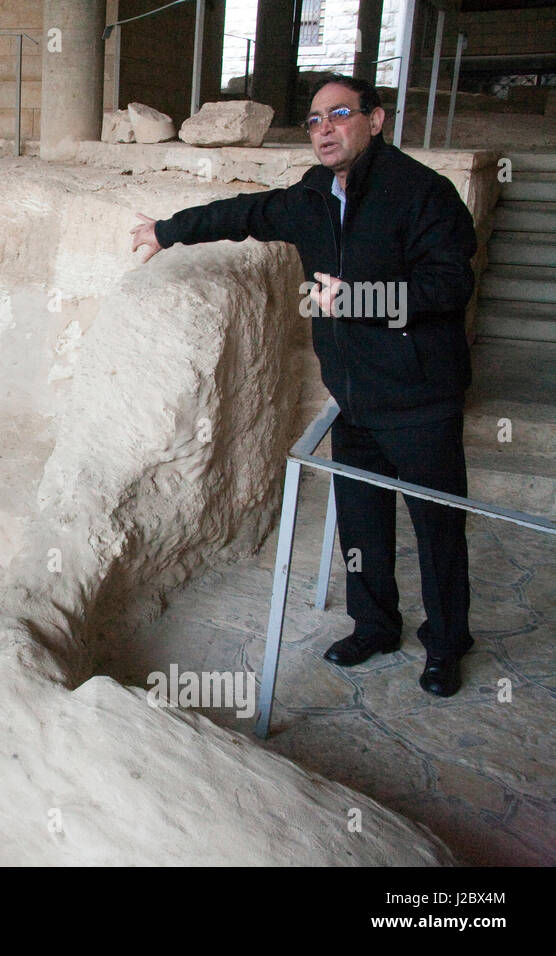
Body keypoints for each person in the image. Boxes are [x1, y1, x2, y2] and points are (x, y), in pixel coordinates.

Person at [130, 73, 478, 697]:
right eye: (315, 120)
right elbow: (246, 213)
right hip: (355, 398)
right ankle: (374, 624)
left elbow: (449, 286)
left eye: (339, 114)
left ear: (375, 119)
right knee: (363, 523)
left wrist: (362, 300)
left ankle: (448, 642)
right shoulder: (315, 195)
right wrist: (168, 229)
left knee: (438, 528)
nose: (325, 129)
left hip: (421, 397)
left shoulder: (424, 194)